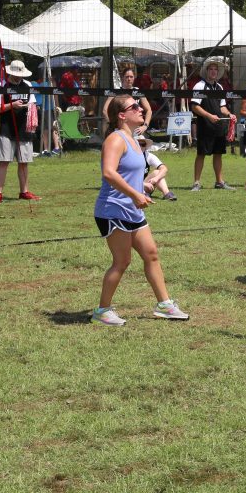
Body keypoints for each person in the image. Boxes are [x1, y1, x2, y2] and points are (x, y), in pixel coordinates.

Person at [91, 95, 189, 326]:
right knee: (122, 261)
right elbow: (109, 173)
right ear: (121, 115)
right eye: (134, 106)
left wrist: (142, 187)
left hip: (132, 209)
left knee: (151, 254)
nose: (140, 109)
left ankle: (164, 305)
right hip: (113, 209)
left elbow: (127, 174)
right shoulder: (116, 139)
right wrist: (135, 194)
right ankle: (102, 311)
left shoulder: (135, 140)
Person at [0, 59, 40, 203]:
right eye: (16, 74)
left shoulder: (28, 85)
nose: (19, 77)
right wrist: (12, 105)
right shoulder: (2, 85)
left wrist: (32, 109)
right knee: (4, 161)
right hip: (7, 128)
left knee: (24, 162)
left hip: (24, 129)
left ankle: (24, 191)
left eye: (21, 75)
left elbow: (33, 104)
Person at [190, 60, 234, 191]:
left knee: (218, 154)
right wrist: (209, 116)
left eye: (215, 69)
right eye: (211, 69)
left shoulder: (219, 87)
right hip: (205, 126)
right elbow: (194, 106)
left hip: (218, 127)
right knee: (201, 154)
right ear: (206, 71)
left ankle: (219, 182)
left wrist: (230, 114)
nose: (213, 71)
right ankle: (196, 183)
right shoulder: (199, 86)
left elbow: (222, 107)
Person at [139, 136, 177, 201]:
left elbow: (164, 168)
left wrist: (155, 179)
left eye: (143, 144)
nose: (140, 147)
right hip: (131, 186)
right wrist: (143, 184)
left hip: (145, 185)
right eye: (138, 144)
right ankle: (143, 193)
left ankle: (167, 193)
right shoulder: (127, 157)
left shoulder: (148, 156)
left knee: (157, 172)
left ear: (145, 147)